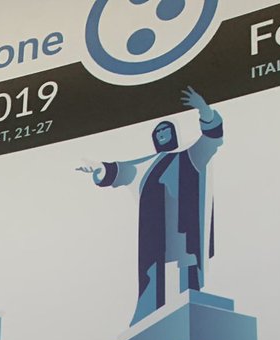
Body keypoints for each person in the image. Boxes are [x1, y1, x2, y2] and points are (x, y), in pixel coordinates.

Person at [79, 87, 223, 324]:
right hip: (155, 237)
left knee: (187, 275)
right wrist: (97, 169)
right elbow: (118, 170)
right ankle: (148, 316)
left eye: (167, 130)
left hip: (183, 232)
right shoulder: (146, 165)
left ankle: (189, 308)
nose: (163, 134)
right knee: (153, 277)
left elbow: (212, 139)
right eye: (159, 132)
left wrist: (204, 110)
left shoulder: (189, 156)